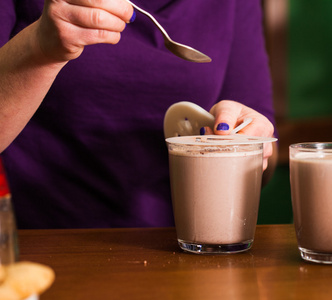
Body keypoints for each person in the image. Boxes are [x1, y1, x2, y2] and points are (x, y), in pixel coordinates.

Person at [0, 0, 277, 229]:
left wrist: (247, 140)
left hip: (181, 247)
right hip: (35, 241)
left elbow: (265, 152)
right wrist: (39, 47)